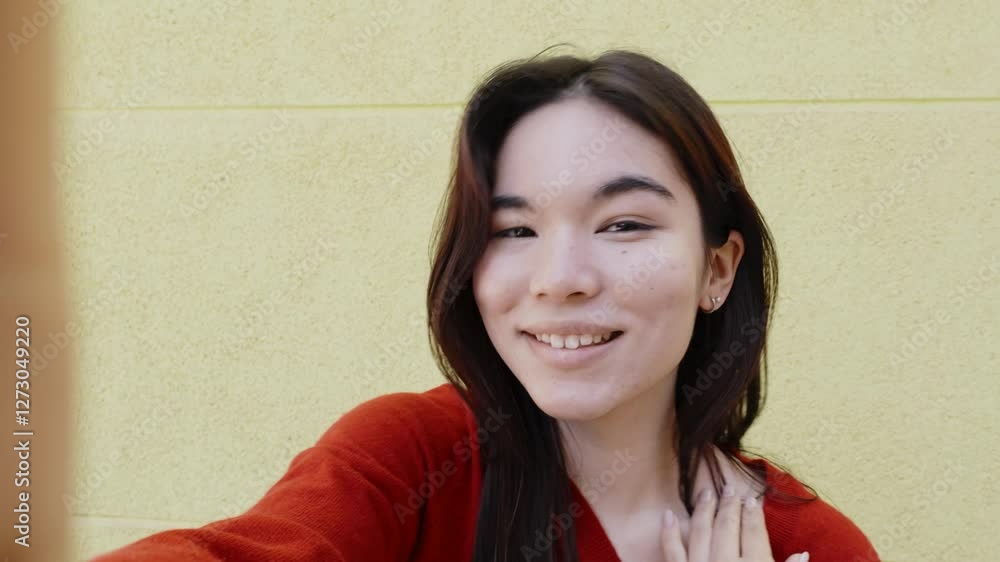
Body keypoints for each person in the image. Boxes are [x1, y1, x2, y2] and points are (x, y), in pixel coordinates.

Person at [92, 48, 880, 562]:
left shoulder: (807, 544)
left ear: (718, 268)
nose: (559, 279)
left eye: (623, 224)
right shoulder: (409, 461)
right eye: (513, 229)